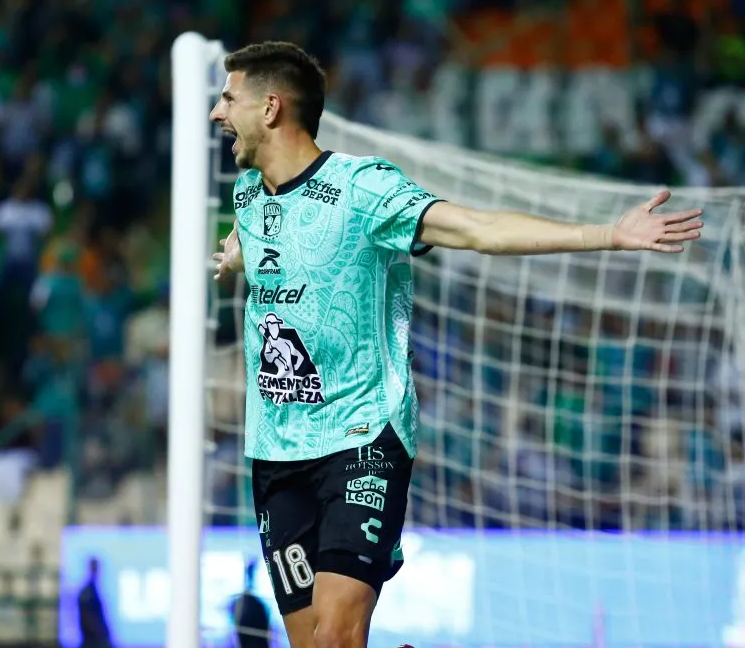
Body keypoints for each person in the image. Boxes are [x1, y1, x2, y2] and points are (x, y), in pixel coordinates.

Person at [209, 41, 704, 648]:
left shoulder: (363, 189)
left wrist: (606, 233)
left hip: (362, 438)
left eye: (228, 98)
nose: (216, 112)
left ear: (271, 108)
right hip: (275, 451)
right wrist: (238, 253)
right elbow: (265, 231)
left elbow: (477, 229)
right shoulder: (250, 195)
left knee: (336, 637)